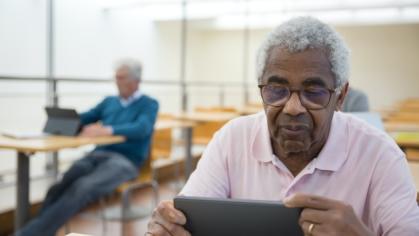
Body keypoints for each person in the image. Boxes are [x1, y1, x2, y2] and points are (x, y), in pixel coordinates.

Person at [146, 17, 419, 236]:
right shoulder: (232, 139)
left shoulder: (380, 155)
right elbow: (187, 218)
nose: (292, 107)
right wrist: (168, 227)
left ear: (341, 97)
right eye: (277, 89)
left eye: (313, 91)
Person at [17, 59, 159, 236]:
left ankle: (29, 234)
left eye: (121, 77)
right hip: (97, 155)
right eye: (115, 77)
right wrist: (68, 118)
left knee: (83, 187)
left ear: (135, 80)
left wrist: (107, 130)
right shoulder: (109, 102)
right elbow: (88, 116)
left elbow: (142, 128)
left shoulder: (149, 104)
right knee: (61, 185)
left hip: (126, 161)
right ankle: (39, 230)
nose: (117, 81)